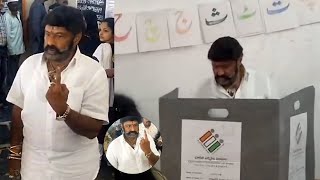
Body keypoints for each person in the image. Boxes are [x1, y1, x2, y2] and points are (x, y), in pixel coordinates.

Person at [6, 6, 109, 180]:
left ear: (76, 38)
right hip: (33, 166)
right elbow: (18, 111)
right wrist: (15, 153)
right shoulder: (29, 65)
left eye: (59, 36)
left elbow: (93, 130)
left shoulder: (94, 72)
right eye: (48, 34)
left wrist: (63, 110)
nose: (50, 42)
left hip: (75, 170)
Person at [181, 36, 276, 99]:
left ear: (239, 60)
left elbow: (276, 119)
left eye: (225, 66)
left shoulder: (263, 82)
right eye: (215, 66)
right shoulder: (203, 90)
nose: (220, 72)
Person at [4, 0, 25, 91]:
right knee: (11, 69)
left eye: (17, 5)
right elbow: (7, 35)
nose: (16, 7)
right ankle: (11, 87)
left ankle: (16, 84)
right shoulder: (6, 17)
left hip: (19, 46)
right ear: (8, 6)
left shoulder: (18, 14)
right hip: (12, 48)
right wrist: (9, 49)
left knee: (16, 66)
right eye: (13, 5)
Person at [0, 0, 7, 108]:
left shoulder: (2, 16)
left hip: (2, 49)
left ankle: (1, 99)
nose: (2, 3)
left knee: (2, 74)